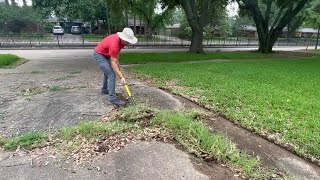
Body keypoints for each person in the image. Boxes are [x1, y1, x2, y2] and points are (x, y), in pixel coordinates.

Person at [93, 28, 138, 106]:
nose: (128, 43)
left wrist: (120, 70)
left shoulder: (122, 43)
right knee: (111, 75)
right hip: (99, 55)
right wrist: (121, 77)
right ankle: (113, 99)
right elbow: (113, 63)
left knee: (108, 73)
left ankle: (104, 90)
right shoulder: (115, 44)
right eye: (127, 41)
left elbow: (116, 59)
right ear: (123, 38)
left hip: (106, 54)